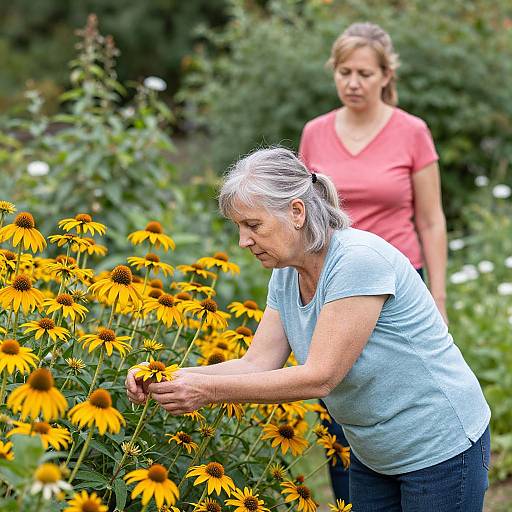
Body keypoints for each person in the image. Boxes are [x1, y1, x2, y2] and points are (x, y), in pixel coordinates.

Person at [126, 147, 490, 512]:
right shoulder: (286, 274)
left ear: (296, 212)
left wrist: (206, 389)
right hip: (375, 453)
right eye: (239, 227)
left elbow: (321, 377)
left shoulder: (357, 261)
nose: (243, 241)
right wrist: (168, 375)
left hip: (440, 446)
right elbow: (257, 363)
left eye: (253, 225)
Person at [298, 22, 448, 500]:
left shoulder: (412, 132)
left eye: (364, 72)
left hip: (398, 291)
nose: (353, 82)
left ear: (386, 75)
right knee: (336, 401)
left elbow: (431, 220)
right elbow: (301, 215)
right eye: (344, 71)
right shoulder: (315, 133)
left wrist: (438, 295)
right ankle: (348, 502)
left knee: (399, 403)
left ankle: (415, 487)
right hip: (334, 284)